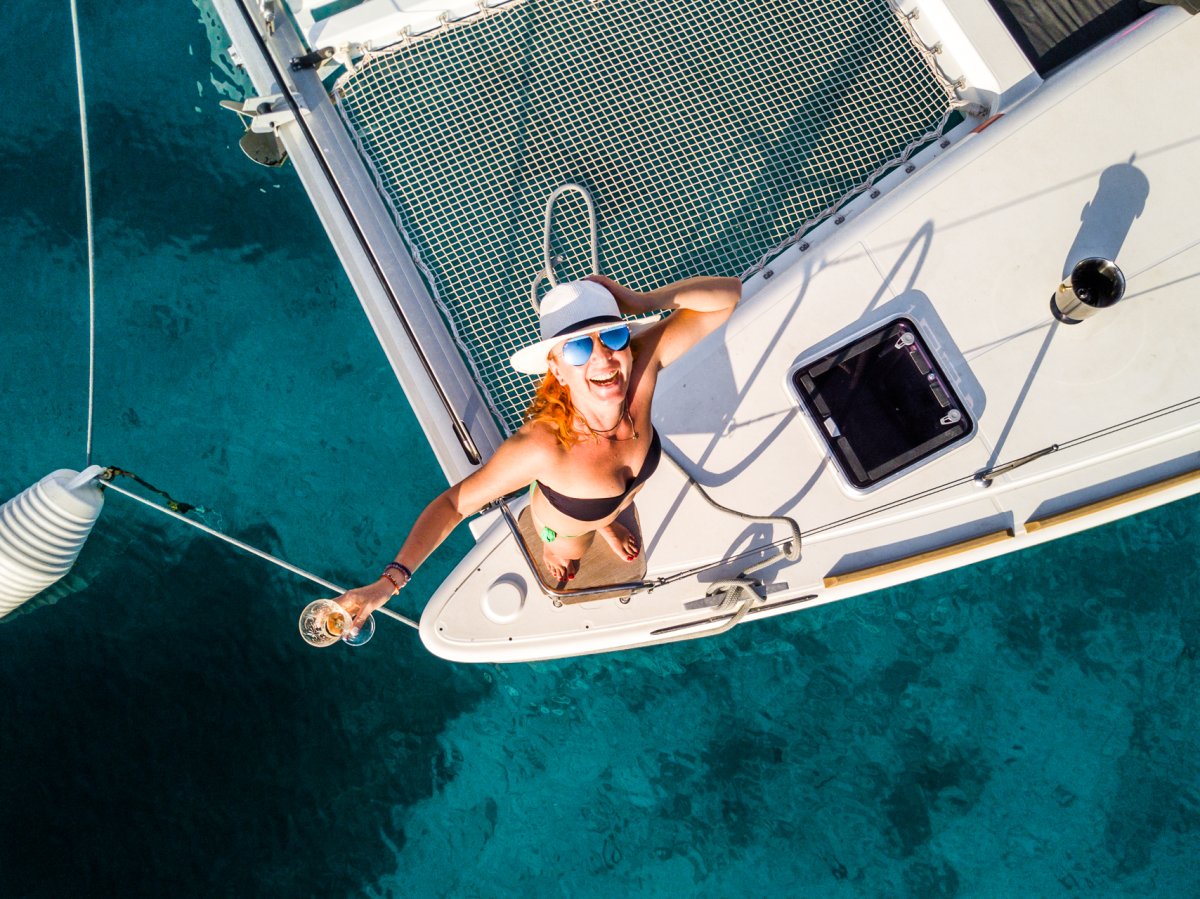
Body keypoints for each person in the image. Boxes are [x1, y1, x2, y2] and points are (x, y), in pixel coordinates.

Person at [337, 273, 740, 631]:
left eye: (613, 336)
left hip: (613, 501)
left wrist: (644, 302)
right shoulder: (543, 447)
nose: (603, 357)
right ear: (557, 370)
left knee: (614, 508)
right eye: (579, 348)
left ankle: (607, 520)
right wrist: (386, 584)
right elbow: (454, 505)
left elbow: (729, 295)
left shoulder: (641, 365)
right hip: (564, 526)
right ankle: (571, 536)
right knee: (570, 548)